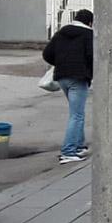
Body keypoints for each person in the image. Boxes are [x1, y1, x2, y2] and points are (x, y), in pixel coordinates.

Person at [42, 9, 94, 164]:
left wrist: (61, 63)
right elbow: (92, 56)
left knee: (77, 113)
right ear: (90, 22)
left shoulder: (61, 33)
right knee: (76, 115)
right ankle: (68, 152)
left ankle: (79, 146)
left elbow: (47, 54)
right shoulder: (88, 35)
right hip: (78, 78)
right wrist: (90, 72)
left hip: (62, 77)